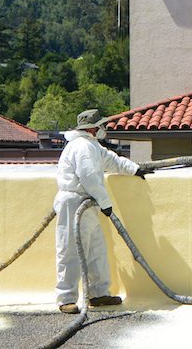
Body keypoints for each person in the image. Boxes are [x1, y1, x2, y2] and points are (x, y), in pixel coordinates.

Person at [54, 109, 153, 314]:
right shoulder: (82, 147)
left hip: (87, 205)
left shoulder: (92, 146)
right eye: (100, 126)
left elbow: (112, 160)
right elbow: (89, 177)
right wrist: (105, 202)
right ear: (92, 128)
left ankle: (98, 294)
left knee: (95, 250)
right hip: (74, 204)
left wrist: (134, 169)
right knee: (70, 250)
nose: (103, 129)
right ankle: (66, 298)